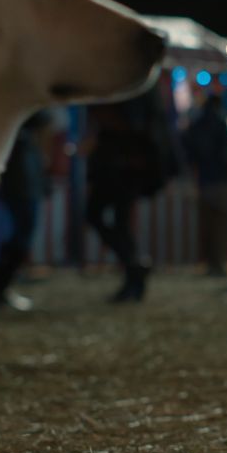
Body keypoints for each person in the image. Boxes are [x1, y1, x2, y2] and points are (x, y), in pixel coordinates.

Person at [85, 87, 176, 302]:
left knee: (110, 218)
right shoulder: (139, 89)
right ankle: (133, 268)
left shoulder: (133, 89)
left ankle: (133, 268)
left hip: (125, 165)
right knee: (111, 219)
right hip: (123, 164)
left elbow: (134, 124)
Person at [0, 110, 53, 310]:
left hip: (21, 162)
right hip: (20, 166)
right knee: (24, 232)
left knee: (24, 231)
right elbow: (46, 121)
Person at [183, 94, 227, 277]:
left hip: (205, 181)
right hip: (225, 180)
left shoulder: (196, 125)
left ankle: (210, 263)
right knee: (223, 227)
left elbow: (189, 154)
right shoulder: (225, 123)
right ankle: (218, 263)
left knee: (207, 227)